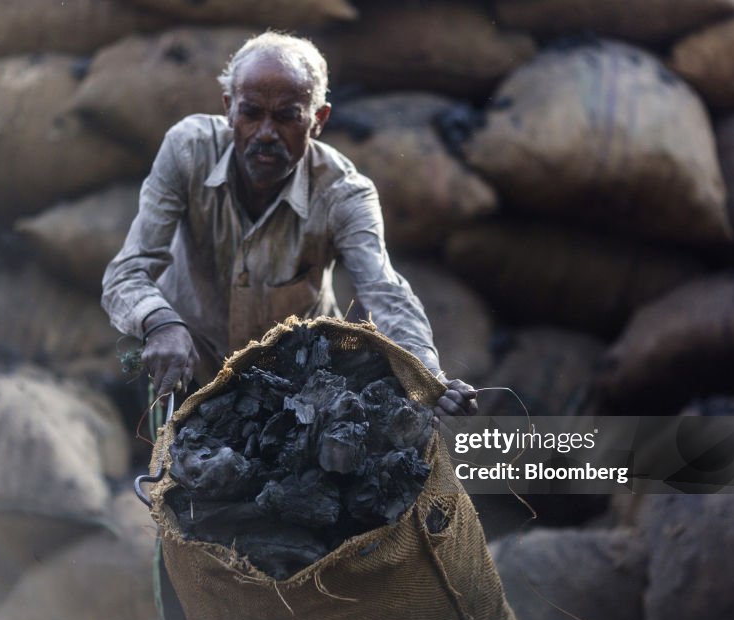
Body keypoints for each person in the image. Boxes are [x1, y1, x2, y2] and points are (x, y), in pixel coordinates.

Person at [101, 31, 477, 417]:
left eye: (286, 117)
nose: (266, 133)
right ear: (229, 108)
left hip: (294, 387)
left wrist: (426, 375)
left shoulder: (344, 193)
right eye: (250, 113)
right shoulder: (187, 150)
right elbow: (126, 273)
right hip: (188, 371)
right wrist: (161, 323)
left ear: (318, 120)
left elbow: (384, 290)